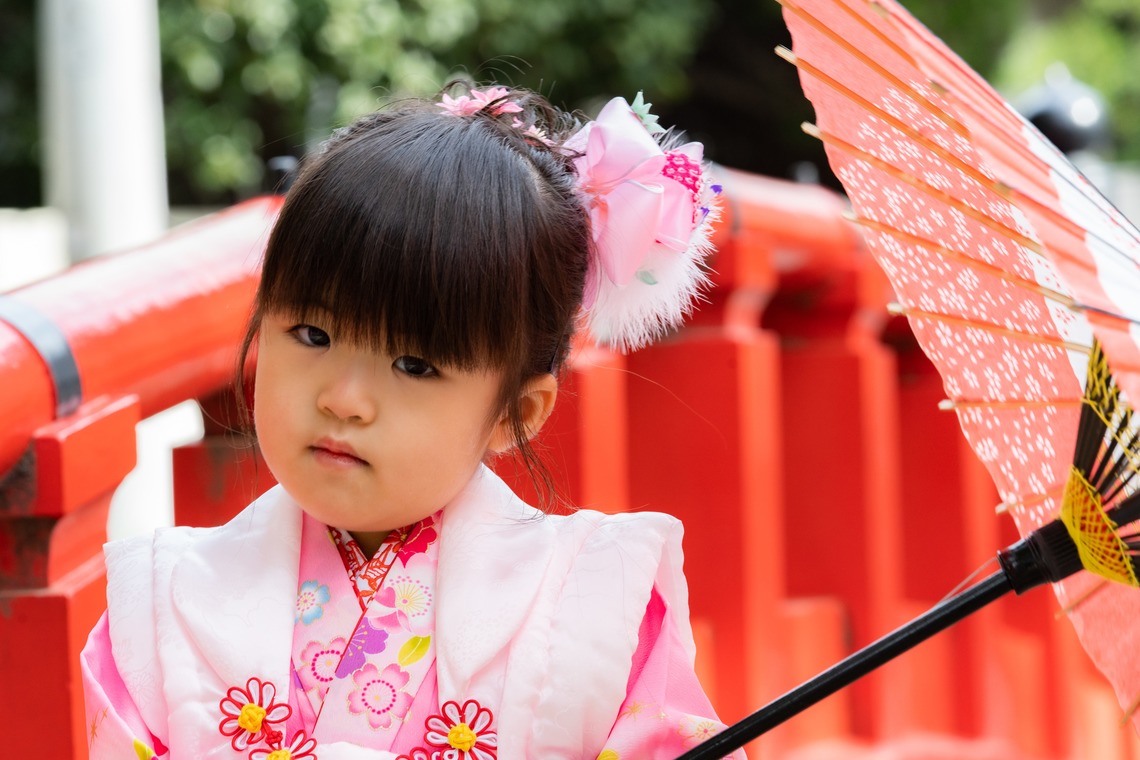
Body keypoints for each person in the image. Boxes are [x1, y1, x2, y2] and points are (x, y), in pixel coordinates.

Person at [81, 82, 737, 760]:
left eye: (415, 365)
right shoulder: (155, 613)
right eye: (311, 333)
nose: (344, 399)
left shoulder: (602, 608)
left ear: (517, 413)